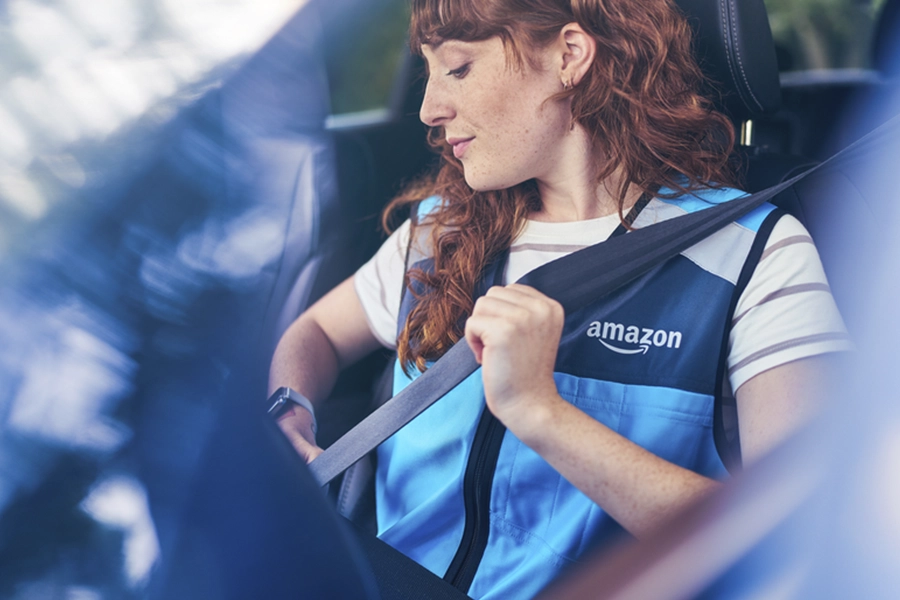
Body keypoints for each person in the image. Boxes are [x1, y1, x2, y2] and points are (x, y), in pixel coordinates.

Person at [268, 0, 852, 598]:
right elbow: (316, 333)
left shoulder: (754, 252)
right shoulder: (440, 232)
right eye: (429, 72)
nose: (429, 109)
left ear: (569, 55)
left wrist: (541, 413)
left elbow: (796, 537)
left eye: (459, 68)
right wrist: (288, 412)